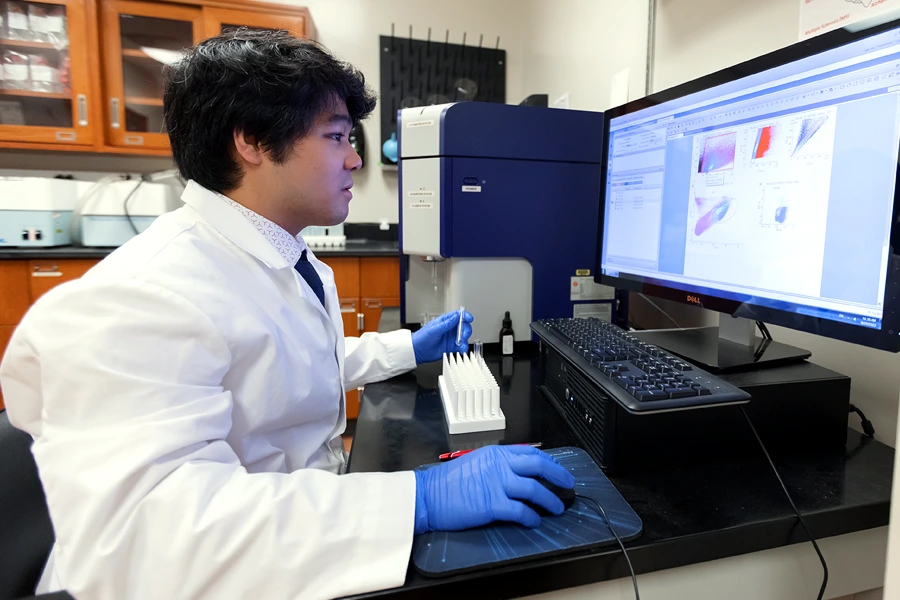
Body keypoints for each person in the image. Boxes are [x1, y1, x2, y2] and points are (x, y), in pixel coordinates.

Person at [0, 29, 574, 600]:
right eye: (336, 136)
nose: (354, 158)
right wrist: (415, 499)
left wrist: (406, 346)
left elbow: (283, 363)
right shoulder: (140, 297)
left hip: (294, 531)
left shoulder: (279, 255)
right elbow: (156, 540)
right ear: (250, 140)